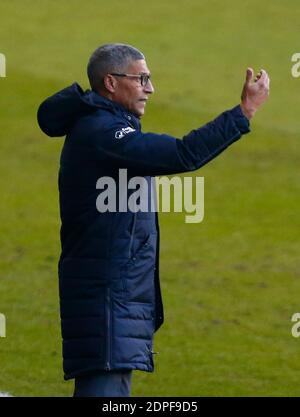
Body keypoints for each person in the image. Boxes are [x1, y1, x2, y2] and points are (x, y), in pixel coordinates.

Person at [37, 43, 269, 397]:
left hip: (113, 293)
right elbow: (182, 153)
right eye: (141, 78)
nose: (150, 88)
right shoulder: (102, 133)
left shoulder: (105, 126)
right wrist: (243, 113)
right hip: (106, 296)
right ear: (111, 83)